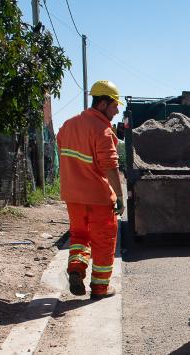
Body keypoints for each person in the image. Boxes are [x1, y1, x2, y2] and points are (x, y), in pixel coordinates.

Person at [57, 80, 125, 299]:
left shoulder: (68, 124)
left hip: (72, 196)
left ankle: (76, 267)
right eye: (114, 105)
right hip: (98, 198)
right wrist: (120, 197)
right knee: (104, 241)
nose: (116, 111)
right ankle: (100, 288)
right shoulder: (103, 130)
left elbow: (62, 147)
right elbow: (110, 166)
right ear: (103, 103)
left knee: (79, 236)